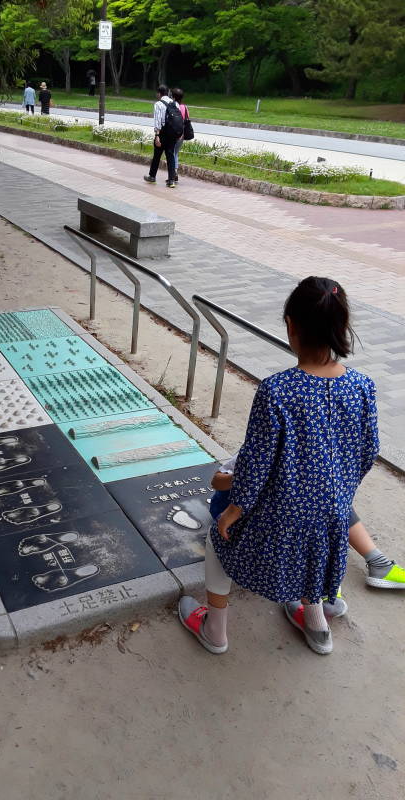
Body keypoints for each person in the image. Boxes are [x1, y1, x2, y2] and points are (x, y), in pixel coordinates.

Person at [178, 276, 381, 656]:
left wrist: (233, 510)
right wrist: (333, 490)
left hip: (280, 520)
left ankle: (215, 630)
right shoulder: (363, 386)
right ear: (342, 325)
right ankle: (317, 627)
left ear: (290, 325)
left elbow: (253, 467)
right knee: (314, 553)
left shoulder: (277, 390)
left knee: (219, 538)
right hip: (333, 515)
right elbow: (368, 451)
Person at [210, 455, 404, 612]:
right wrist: (255, 473)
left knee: (328, 501)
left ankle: (370, 566)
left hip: (277, 517)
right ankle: (320, 595)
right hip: (243, 516)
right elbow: (217, 482)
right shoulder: (259, 452)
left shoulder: (307, 459)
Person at [143, 85, 184, 188]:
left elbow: (157, 121)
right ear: (168, 92)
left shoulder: (158, 104)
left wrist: (157, 135)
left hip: (162, 133)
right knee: (170, 155)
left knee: (157, 155)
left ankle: (152, 177)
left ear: (159, 93)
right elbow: (179, 119)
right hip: (173, 133)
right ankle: (171, 181)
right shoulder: (175, 103)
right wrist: (179, 133)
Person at [170, 87, 189, 183]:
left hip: (174, 134)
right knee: (175, 153)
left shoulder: (172, 106)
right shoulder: (185, 107)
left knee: (172, 153)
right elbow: (187, 121)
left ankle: (173, 173)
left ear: (173, 97)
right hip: (182, 135)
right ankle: (175, 172)